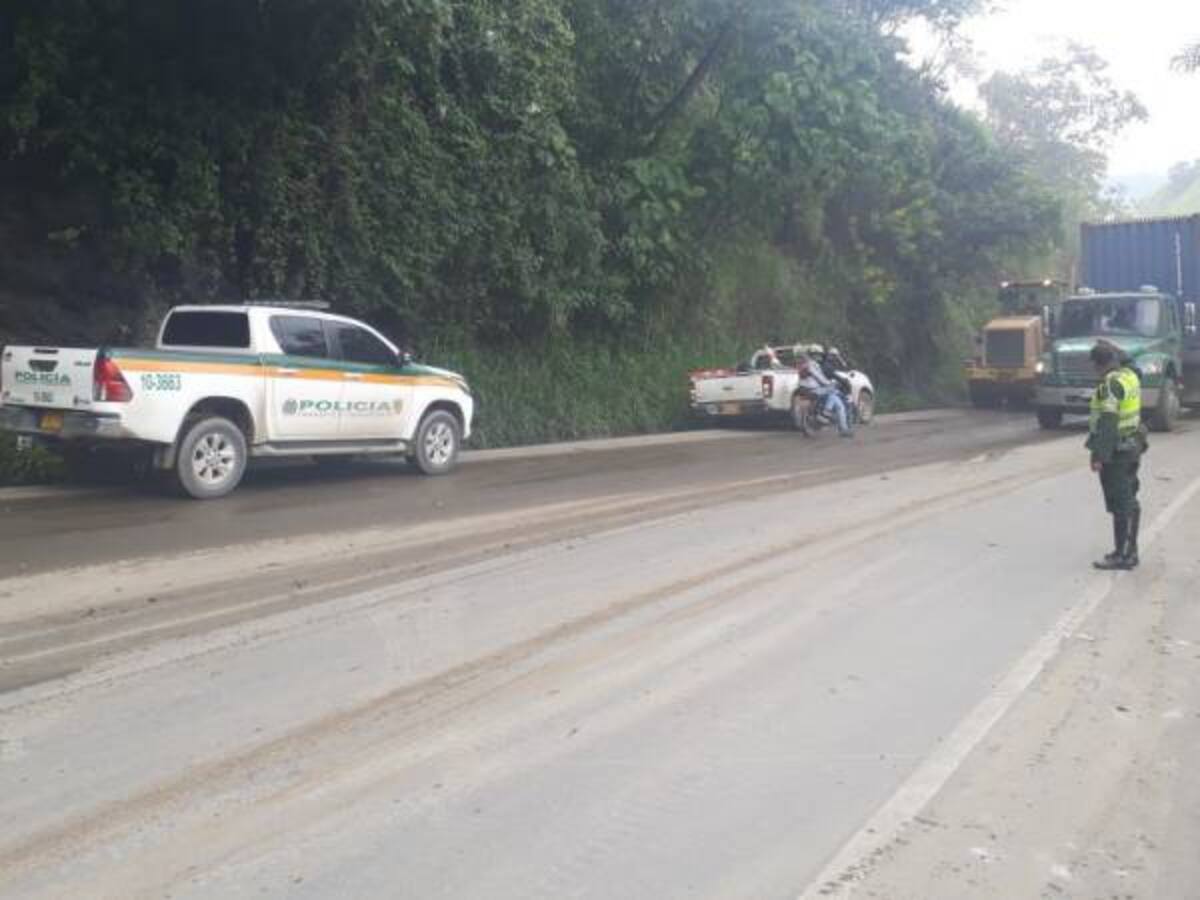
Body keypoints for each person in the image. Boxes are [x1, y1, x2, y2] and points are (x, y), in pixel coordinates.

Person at [1087, 341, 1146, 570]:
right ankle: (1128, 551)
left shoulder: (1110, 386)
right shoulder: (1129, 376)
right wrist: (1118, 349)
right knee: (1129, 497)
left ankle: (1124, 555)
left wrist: (1098, 456)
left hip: (1117, 452)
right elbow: (1133, 364)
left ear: (1096, 365)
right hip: (1133, 446)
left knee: (1121, 502)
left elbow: (1108, 423)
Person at [798, 351, 852, 437]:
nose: (818, 356)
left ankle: (842, 427)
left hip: (804, 390)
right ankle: (827, 413)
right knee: (833, 393)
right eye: (816, 354)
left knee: (835, 399)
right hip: (814, 389)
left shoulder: (802, 366)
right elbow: (819, 377)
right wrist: (830, 384)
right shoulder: (812, 365)